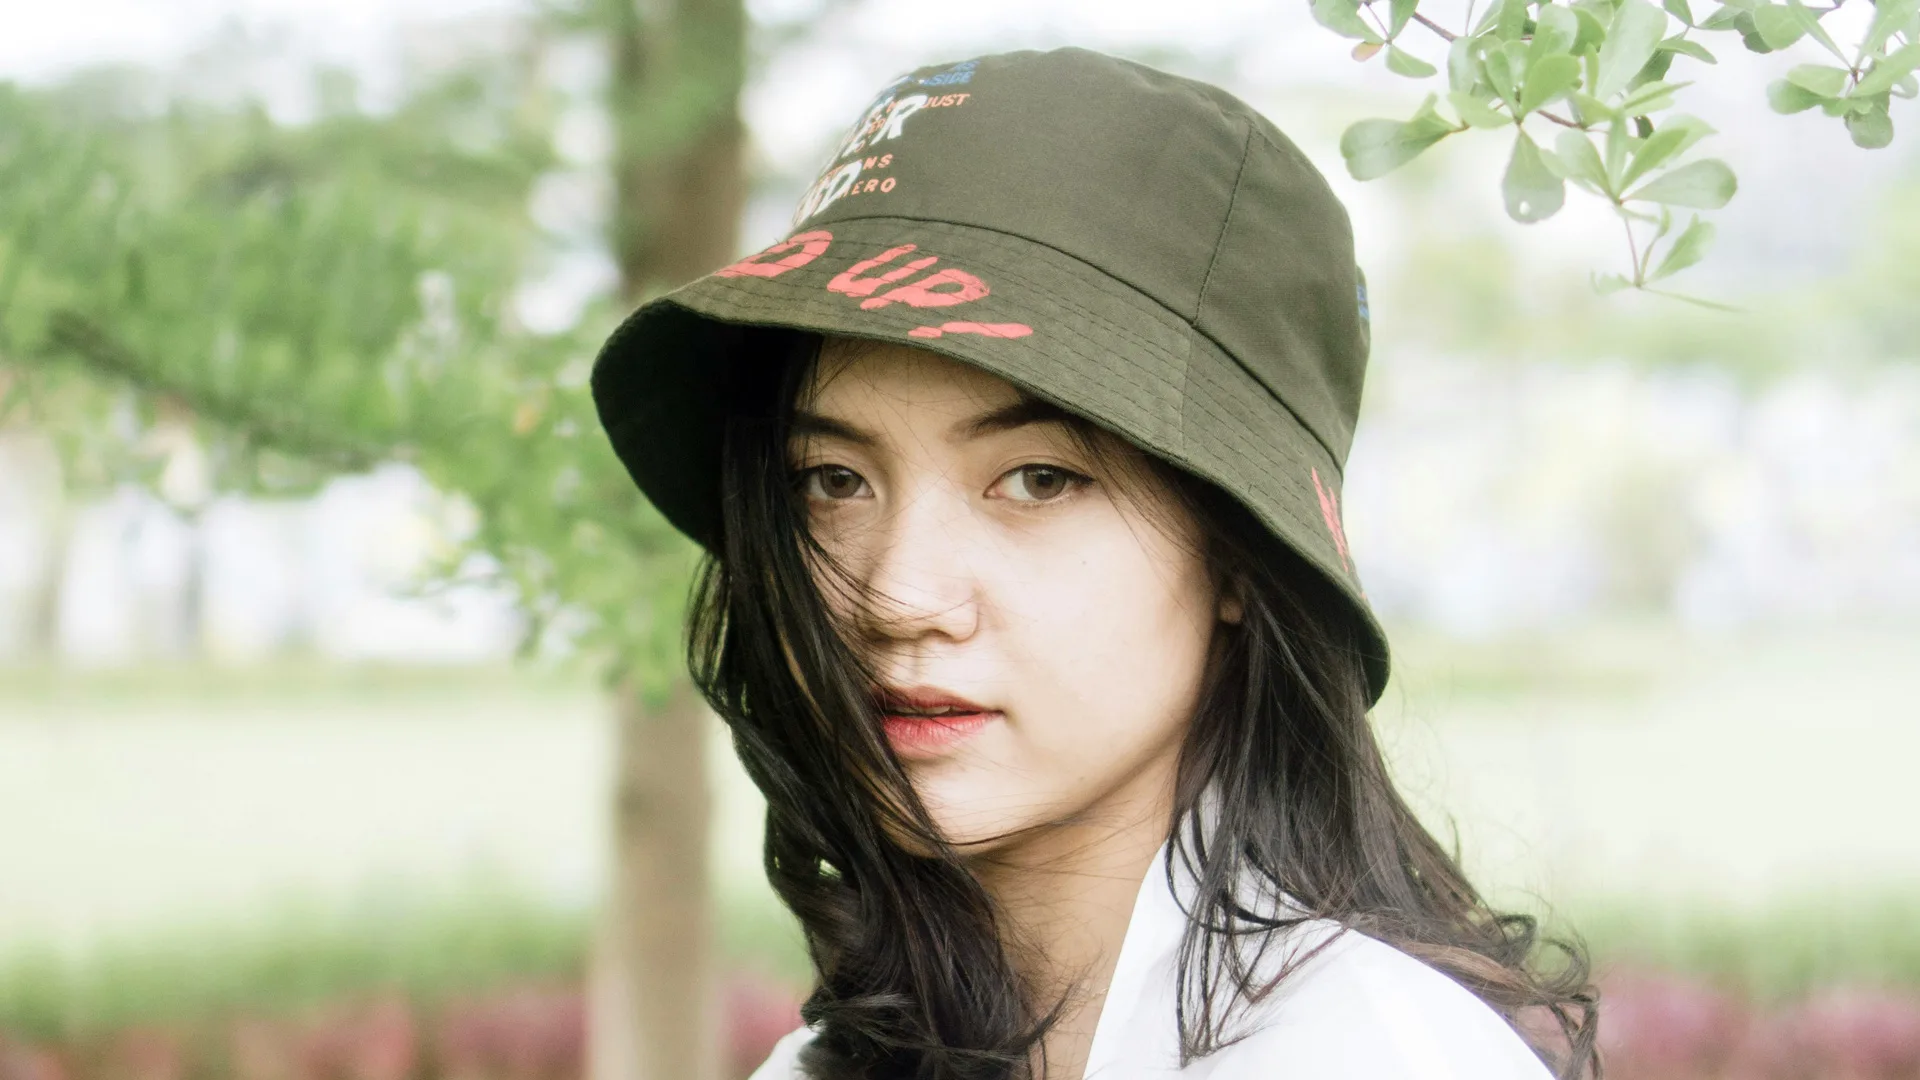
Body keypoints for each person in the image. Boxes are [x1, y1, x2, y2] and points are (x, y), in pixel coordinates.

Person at [590, 46, 1598, 1080]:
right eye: (834, 481)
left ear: (1242, 558)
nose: (898, 596)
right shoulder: (820, 1065)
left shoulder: (1373, 1056)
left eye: (1037, 479)